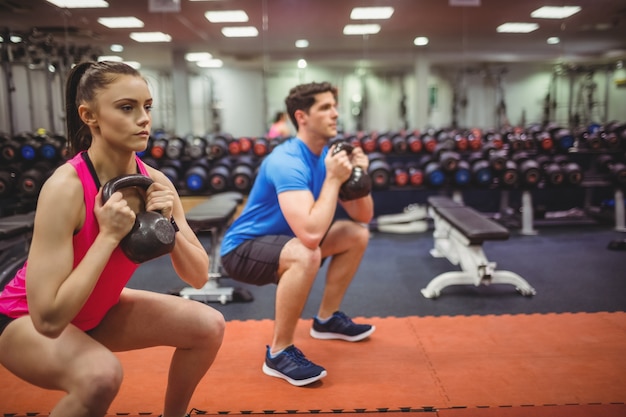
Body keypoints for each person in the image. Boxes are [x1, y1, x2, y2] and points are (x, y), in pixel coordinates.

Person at [0, 61, 225, 417]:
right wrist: (107, 236)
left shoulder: (156, 182)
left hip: (96, 312)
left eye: (147, 106)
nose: (144, 118)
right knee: (101, 377)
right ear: (90, 115)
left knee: (208, 326)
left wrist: (170, 225)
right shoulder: (65, 188)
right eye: (126, 107)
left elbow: (197, 277)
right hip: (24, 322)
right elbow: (48, 320)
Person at [220, 81, 375, 387]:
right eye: (325, 107)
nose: (335, 113)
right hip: (242, 248)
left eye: (334, 106)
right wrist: (333, 179)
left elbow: (364, 215)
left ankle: (328, 319)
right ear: (302, 117)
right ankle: (279, 353)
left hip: (288, 243)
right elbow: (311, 235)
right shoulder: (287, 160)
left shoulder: (328, 156)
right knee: (307, 251)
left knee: (355, 233)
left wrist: (360, 177)